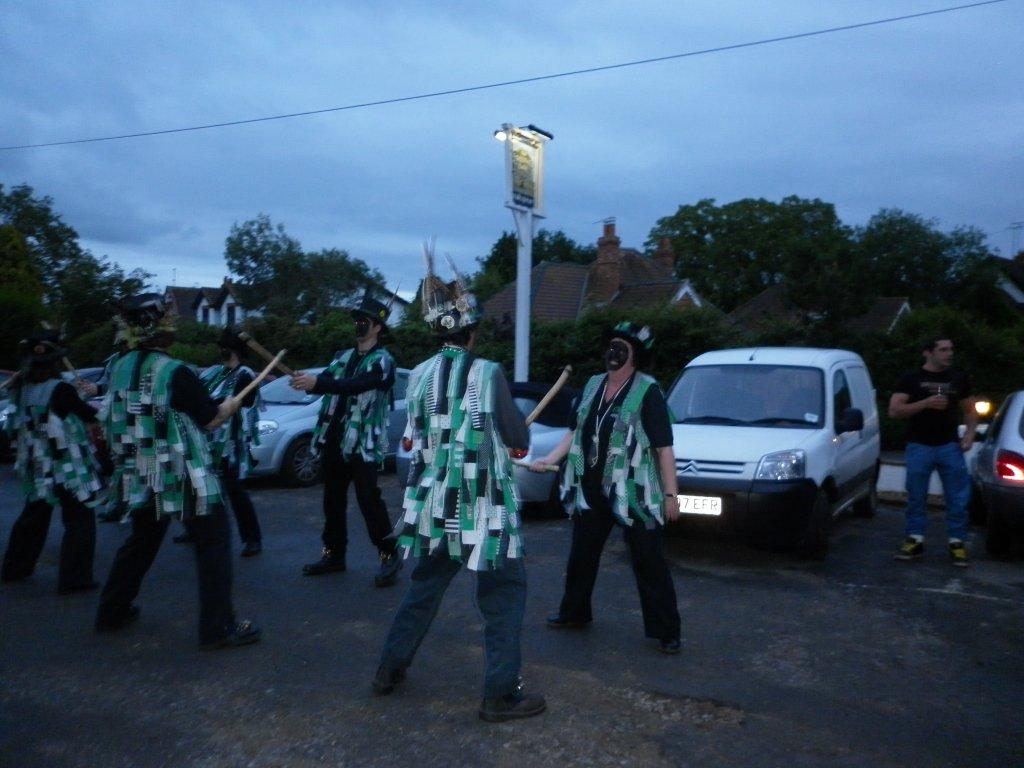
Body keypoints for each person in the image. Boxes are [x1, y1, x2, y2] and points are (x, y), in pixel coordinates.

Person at [372, 251, 545, 723]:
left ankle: (388, 669)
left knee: (423, 589)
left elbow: (422, 435)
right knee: (503, 596)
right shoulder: (487, 372)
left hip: (435, 505)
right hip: (483, 507)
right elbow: (517, 436)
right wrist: (517, 437)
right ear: (471, 332)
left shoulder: (418, 375)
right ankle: (499, 694)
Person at [94, 294, 261, 649]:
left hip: (141, 470)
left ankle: (111, 610)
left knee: (142, 539)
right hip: (181, 472)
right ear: (162, 329)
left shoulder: (119, 367)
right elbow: (210, 419)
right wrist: (230, 405)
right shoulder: (174, 371)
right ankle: (218, 627)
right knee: (213, 540)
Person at [532, 321, 682, 654]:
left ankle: (667, 631)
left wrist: (671, 495)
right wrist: (549, 458)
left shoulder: (648, 392)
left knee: (649, 560)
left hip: (634, 493)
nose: (613, 353)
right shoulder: (591, 385)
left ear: (635, 356)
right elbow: (574, 432)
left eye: (621, 348)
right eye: (611, 346)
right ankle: (574, 613)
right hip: (591, 488)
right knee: (582, 554)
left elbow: (664, 449)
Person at [291, 292, 401, 587]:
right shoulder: (343, 357)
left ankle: (389, 556)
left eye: (364, 320)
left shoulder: (383, 362)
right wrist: (305, 382)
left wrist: (319, 382)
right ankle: (333, 555)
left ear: (378, 327)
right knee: (332, 501)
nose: (359, 324)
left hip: (363, 444)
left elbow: (353, 385)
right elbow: (328, 381)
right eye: (357, 319)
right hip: (334, 440)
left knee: (369, 500)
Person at [1, 330, 104, 593]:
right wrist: (95, 405)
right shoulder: (61, 389)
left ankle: (15, 567)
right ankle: (75, 578)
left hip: (38, 464)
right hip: (66, 465)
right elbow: (86, 414)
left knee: (33, 515)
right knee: (79, 518)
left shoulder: (23, 389)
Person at [173, 327, 262, 557]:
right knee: (197, 487)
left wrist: (217, 405)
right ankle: (193, 530)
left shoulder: (245, 374)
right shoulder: (216, 372)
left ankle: (252, 539)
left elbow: (241, 401)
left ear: (231, 349)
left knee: (235, 492)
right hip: (206, 440)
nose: (219, 350)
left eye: (223, 347)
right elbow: (201, 395)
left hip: (230, 444)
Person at [889, 336, 977, 567]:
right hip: (919, 445)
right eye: (943, 349)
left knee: (957, 497)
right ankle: (914, 539)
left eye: (951, 349)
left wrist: (969, 434)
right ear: (928, 352)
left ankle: (957, 543)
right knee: (916, 496)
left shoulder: (958, 378)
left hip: (949, 446)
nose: (949, 353)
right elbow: (894, 411)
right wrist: (925, 404)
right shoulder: (911, 379)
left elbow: (970, 410)